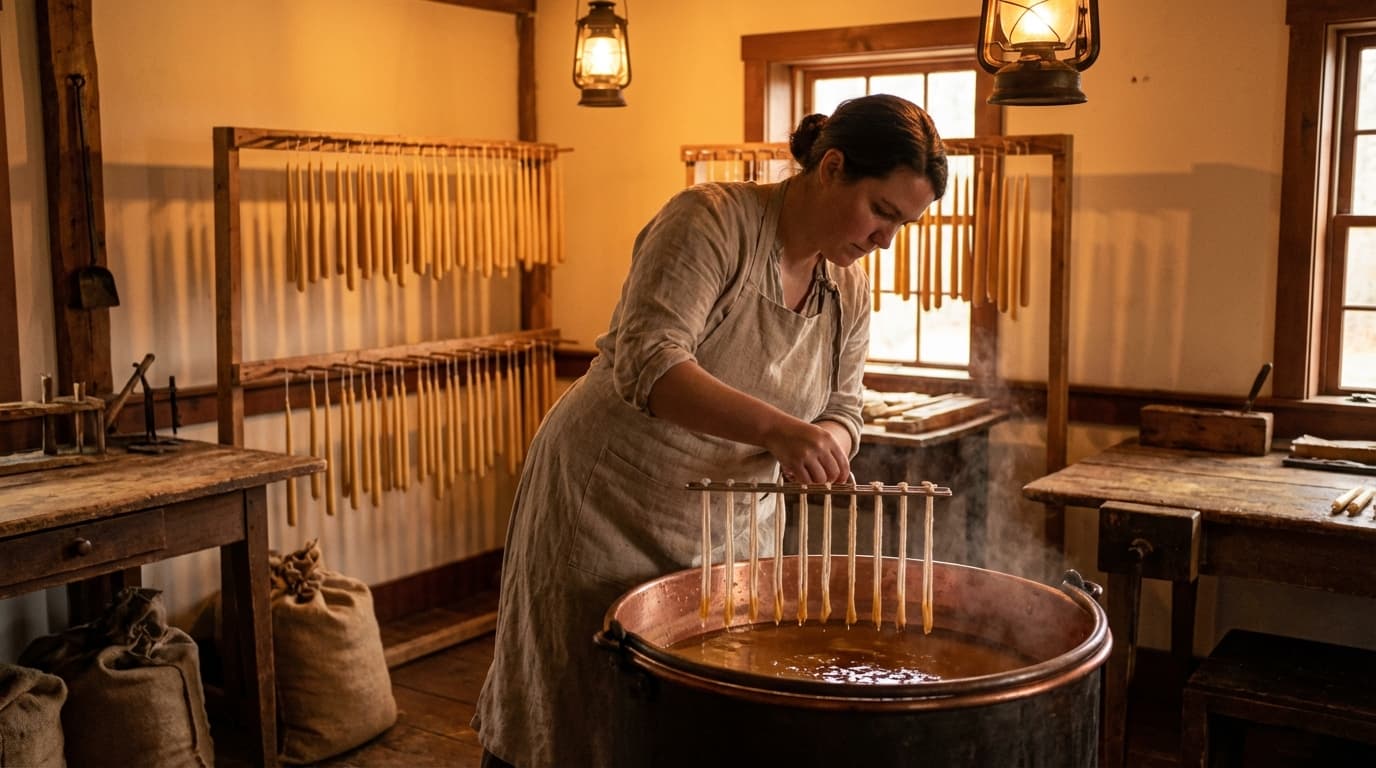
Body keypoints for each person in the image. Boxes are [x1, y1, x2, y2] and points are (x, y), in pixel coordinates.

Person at [473, 93, 948, 768]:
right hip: (607, 499)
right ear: (833, 167)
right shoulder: (712, 222)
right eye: (882, 212)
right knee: (572, 699)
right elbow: (651, 361)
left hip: (729, 524)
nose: (884, 240)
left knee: (696, 715)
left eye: (904, 226)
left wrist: (828, 447)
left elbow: (845, 406)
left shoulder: (849, 290)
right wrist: (784, 432)